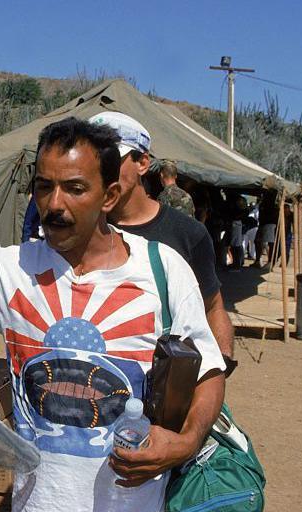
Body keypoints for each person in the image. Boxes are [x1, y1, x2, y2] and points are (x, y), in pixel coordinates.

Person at [0, 117, 224, 512]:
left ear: (110, 196)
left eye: (74, 189)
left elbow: (209, 372)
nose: (53, 205)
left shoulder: (164, 269)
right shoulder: (8, 270)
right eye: (44, 187)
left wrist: (185, 441)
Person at [89, 111, 237, 366]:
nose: (102, 172)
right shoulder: (83, 231)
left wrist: (220, 369)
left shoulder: (188, 234)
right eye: (93, 163)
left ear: (143, 163)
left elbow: (213, 307)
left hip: (164, 386)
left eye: (111, 160)